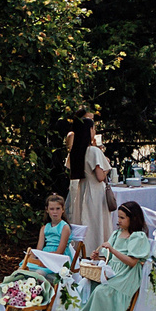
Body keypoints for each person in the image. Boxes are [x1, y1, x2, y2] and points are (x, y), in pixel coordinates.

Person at [83, 201, 156, 311]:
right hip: (114, 270)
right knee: (93, 283)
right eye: (118, 217)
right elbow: (109, 258)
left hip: (128, 274)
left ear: (133, 218)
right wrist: (98, 258)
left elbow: (132, 262)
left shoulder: (137, 236)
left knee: (104, 290)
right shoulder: (117, 234)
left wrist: (113, 250)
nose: (119, 221)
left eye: (122, 218)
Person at [66, 113, 113, 263]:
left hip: (82, 190)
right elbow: (100, 176)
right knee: (96, 223)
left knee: (84, 221)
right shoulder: (93, 151)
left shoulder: (75, 151)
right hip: (95, 191)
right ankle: (98, 252)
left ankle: (82, 253)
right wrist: (107, 165)